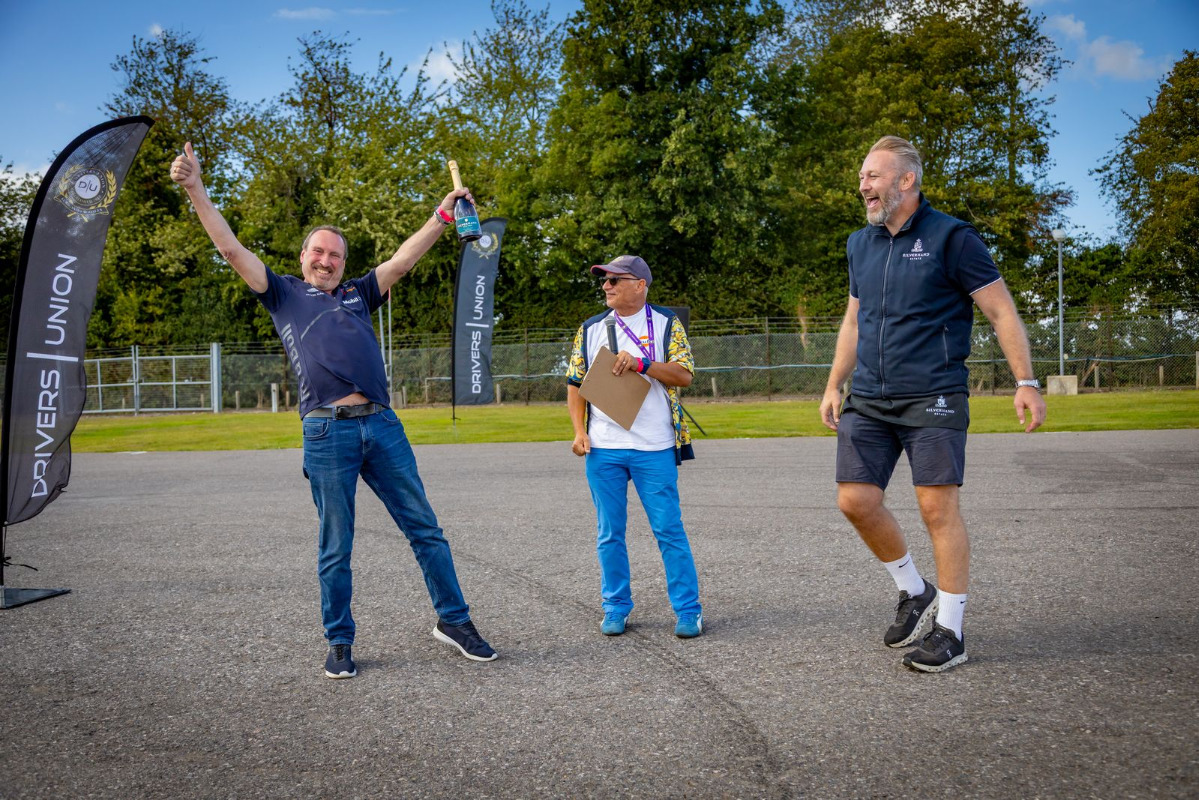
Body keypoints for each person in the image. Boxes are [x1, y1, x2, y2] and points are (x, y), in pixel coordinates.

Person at [169, 141, 496, 679]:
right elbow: (230, 249)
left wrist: (443, 215)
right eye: (318, 253)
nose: (325, 261)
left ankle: (454, 621)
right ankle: (339, 641)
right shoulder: (282, 294)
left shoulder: (359, 294)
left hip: (382, 426)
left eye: (335, 256)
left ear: (344, 263)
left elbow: (403, 260)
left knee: (426, 531)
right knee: (336, 546)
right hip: (327, 433)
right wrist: (195, 189)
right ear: (303, 258)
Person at [819, 135, 1046, 673]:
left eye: (873, 176)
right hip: (869, 397)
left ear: (906, 180)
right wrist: (834, 384)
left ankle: (951, 631)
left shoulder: (953, 238)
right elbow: (853, 321)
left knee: (936, 509)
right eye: (861, 176)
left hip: (933, 394)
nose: (863, 185)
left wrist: (1026, 381)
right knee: (855, 500)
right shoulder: (859, 244)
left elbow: (1001, 312)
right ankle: (913, 588)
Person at [566, 255, 704, 638]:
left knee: (668, 530)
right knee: (609, 533)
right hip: (603, 448)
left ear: (640, 285)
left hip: (654, 446)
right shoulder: (591, 328)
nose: (606, 286)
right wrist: (578, 431)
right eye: (604, 280)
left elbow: (684, 375)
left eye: (615, 280)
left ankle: (688, 610)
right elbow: (575, 383)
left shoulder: (666, 323)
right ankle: (615, 606)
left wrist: (642, 363)